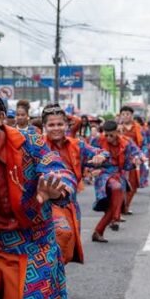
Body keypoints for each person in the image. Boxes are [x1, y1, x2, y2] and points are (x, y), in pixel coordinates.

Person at [0, 93, 75, 299]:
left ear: (0, 119)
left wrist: (56, 191)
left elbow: (60, 170)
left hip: (30, 250)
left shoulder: (29, 145)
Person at [43, 104, 107, 264]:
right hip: (43, 204)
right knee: (55, 243)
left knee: (66, 252)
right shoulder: (37, 146)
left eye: (59, 124)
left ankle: (55, 285)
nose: (56, 128)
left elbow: (103, 153)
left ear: (66, 125)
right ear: (44, 127)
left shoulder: (77, 145)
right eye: (51, 125)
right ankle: (50, 287)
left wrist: (101, 157)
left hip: (69, 205)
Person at [90, 120, 140, 243]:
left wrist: (134, 163)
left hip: (119, 175)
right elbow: (86, 158)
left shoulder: (126, 144)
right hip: (103, 175)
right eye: (106, 135)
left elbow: (126, 166)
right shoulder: (96, 141)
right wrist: (92, 169)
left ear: (117, 132)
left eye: (111, 135)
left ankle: (98, 231)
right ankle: (115, 218)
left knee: (113, 205)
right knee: (116, 188)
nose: (108, 138)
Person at [118, 106, 145, 213]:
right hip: (120, 158)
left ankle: (126, 206)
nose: (126, 116)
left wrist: (141, 156)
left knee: (133, 184)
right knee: (120, 184)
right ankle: (118, 208)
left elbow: (144, 144)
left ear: (132, 116)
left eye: (128, 114)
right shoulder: (117, 129)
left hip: (135, 159)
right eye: (123, 114)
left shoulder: (138, 128)